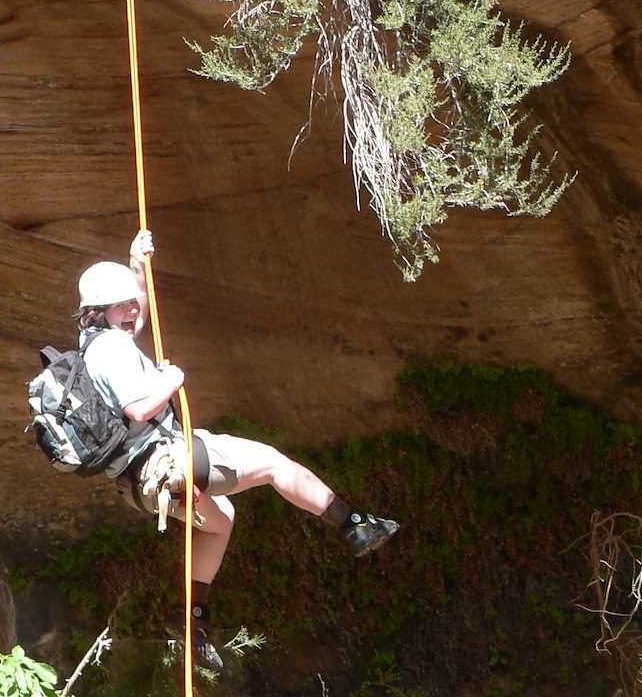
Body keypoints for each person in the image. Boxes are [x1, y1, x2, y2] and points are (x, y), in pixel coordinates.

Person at [76, 231, 399, 667]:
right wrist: (172, 380)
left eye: (134, 302)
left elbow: (133, 332)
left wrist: (137, 268)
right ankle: (354, 524)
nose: (133, 311)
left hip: (141, 485)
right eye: (123, 305)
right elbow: (137, 409)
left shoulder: (94, 348)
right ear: (98, 311)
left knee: (220, 520)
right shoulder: (112, 349)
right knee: (274, 465)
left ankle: (191, 619)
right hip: (170, 460)